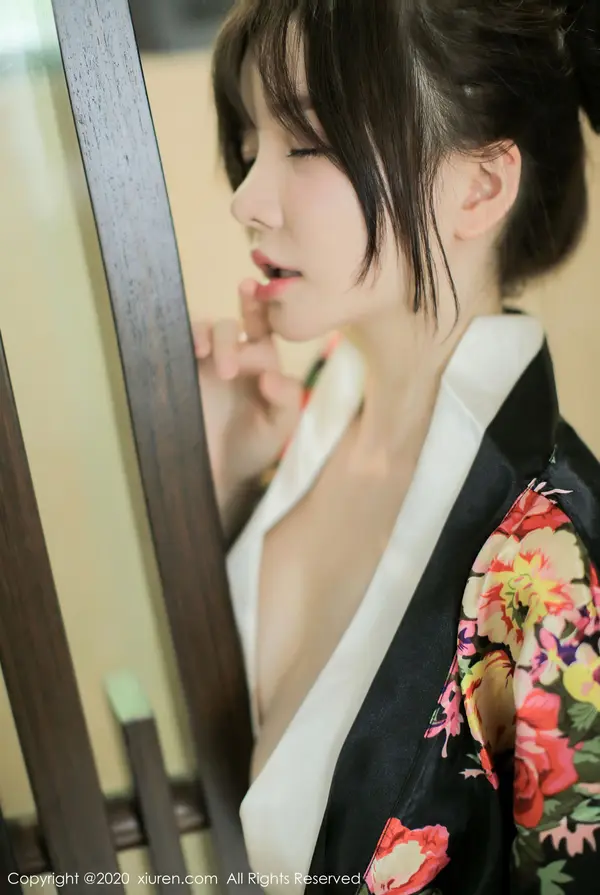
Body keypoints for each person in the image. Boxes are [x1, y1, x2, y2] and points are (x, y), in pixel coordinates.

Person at [192, 1, 600, 892]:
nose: (246, 198)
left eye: (306, 142)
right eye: (251, 142)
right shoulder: (305, 429)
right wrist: (223, 485)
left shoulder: (552, 560)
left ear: (477, 188)